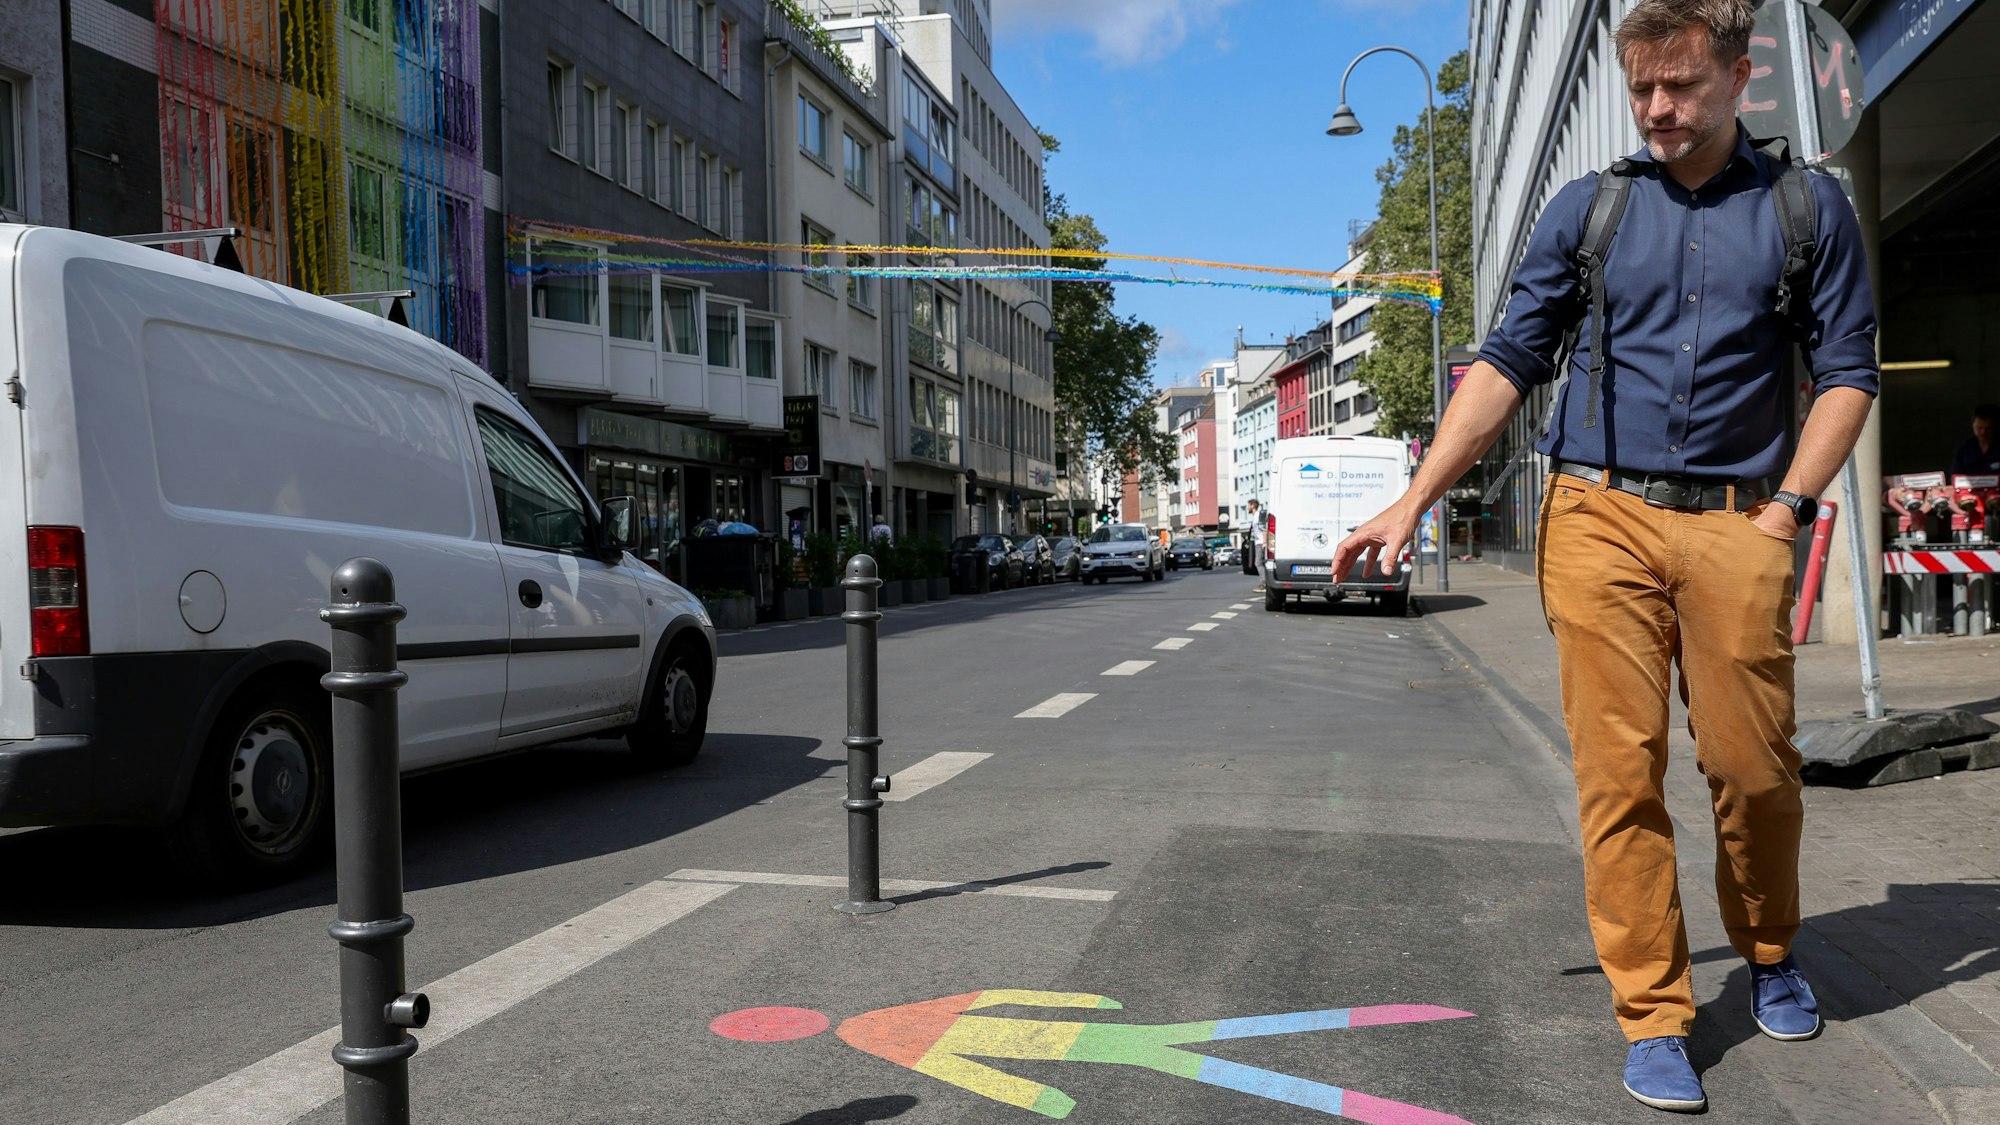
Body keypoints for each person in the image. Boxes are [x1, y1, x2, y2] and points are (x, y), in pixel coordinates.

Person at [1332, 0, 1877, 1113]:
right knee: (1617, 775)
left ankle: (1770, 950)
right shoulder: (1589, 208)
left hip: (1738, 518)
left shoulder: (1804, 207)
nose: (1657, 109)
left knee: (1754, 771)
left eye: (1679, 86)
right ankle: (1654, 1011)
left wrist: (1783, 511)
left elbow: (1848, 376)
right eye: (1640, 91)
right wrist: (1413, 502)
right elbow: (1504, 362)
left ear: (1737, 72)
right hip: (1597, 515)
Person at [710, 991, 1476, 1122]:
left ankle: (1401, 1077)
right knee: (1235, 1043)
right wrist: (1081, 1014)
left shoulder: (883, 1027)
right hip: (1108, 1047)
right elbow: (996, 1007)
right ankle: (1408, 1032)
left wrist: (1042, 1097)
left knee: (1237, 1047)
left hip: (1105, 1051)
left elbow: (972, 1054)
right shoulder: (888, 1024)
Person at [1949, 403, 1998, 477]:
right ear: (1973, 425)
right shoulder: (1963, 449)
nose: (1983, 432)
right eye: (1979, 428)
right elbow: (1956, 477)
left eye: (1988, 428)